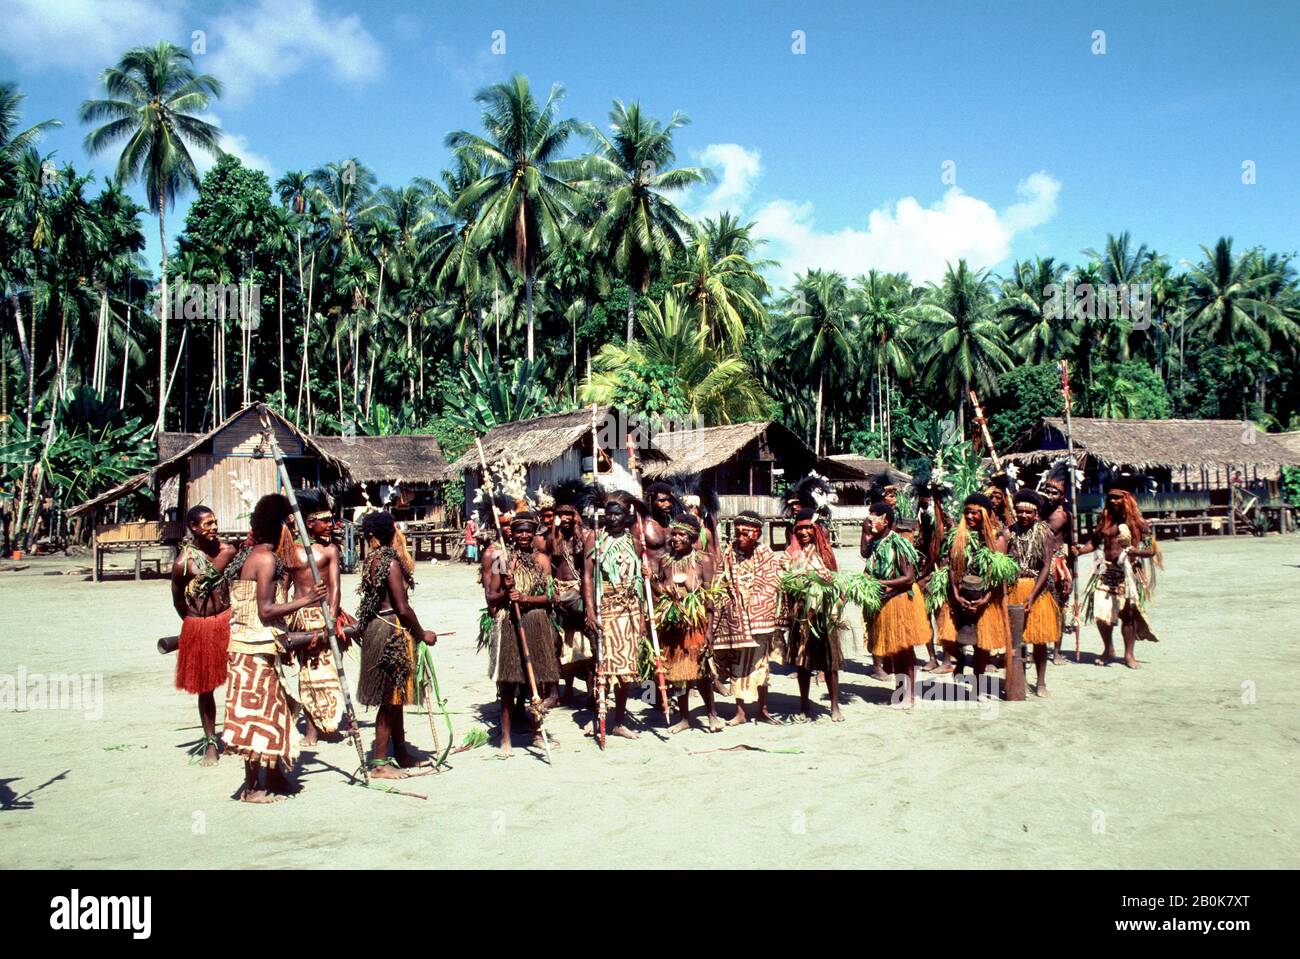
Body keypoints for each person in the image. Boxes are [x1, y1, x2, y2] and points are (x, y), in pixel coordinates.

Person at [220, 495, 325, 802]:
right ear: (279, 528)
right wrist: (306, 600)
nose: (292, 533)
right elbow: (265, 610)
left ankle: (276, 775)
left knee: (276, 712)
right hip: (252, 649)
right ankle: (253, 788)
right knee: (256, 716)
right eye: (289, 527)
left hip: (261, 646)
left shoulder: (256, 556)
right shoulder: (264, 560)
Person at [355, 511, 437, 777]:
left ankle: (400, 752)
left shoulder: (371, 559)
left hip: (380, 627)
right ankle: (379, 764)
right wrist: (422, 633)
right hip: (390, 630)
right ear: (392, 531)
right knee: (388, 697)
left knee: (395, 695)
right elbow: (402, 608)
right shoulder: (389, 562)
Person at [481, 511, 563, 756]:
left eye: (529, 530)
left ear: (535, 532)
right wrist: (507, 594)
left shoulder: (542, 559)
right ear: (512, 533)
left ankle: (537, 732)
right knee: (508, 683)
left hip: (537, 621)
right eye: (519, 531)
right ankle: (505, 739)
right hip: (511, 624)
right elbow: (490, 597)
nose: (524, 535)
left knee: (536, 682)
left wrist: (525, 597)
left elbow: (552, 596)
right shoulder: (502, 561)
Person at [170, 505, 237, 766]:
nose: (214, 527)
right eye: (207, 524)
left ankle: (236, 732)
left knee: (240, 678)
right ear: (194, 527)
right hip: (200, 625)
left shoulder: (226, 550)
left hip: (227, 619)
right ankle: (211, 742)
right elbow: (178, 602)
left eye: (215, 522)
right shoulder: (183, 564)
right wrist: (198, 625)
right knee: (206, 687)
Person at [582, 490, 647, 743]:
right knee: (603, 665)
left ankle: (618, 720)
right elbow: (587, 576)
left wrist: (641, 617)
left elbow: (640, 578)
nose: (612, 518)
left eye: (617, 514)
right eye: (608, 513)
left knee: (625, 668)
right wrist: (589, 608)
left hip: (630, 607)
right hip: (605, 605)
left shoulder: (635, 539)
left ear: (626, 516)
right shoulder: (595, 539)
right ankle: (599, 715)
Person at [934, 493, 1014, 696]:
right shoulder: (958, 536)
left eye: (975, 513)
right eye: (967, 512)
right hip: (958, 595)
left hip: (986, 598)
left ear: (985, 514)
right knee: (950, 638)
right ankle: (959, 660)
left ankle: (978, 685)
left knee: (981, 646)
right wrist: (954, 592)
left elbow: (998, 574)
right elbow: (952, 566)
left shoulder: (998, 537)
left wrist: (985, 599)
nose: (970, 517)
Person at [1075, 484, 1161, 668]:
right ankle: (1108, 649)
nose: (1113, 501)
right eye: (1111, 497)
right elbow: (1095, 541)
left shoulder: (1138, 522)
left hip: (1128, 573)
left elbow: (1151, 550)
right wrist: (1081, 550)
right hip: (1105, 571)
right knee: (1102, 615)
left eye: (1117, 497)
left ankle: (1129, 655)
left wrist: (1132, 551)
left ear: (1126, 499)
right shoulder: (1104, 518)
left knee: (1128, 615)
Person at [286, 489, 347, 745]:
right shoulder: (293, 550)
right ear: (310, 524)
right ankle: (311, 728)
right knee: (306, 673)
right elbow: (285, 586)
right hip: (302, 617)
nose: (331, 526)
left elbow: (335, 586)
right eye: (325, 522)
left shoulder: (331, 550)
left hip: (325, 615)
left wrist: (331, 617)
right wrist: (287, 614)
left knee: (330, 670)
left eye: (332, 521)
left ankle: (332, 720)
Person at [713, 511, 785, 725]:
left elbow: (770, 584)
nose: (740, 538)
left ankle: (762, 709)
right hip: (735, 618)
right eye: (737, 533)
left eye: (745, 534)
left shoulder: (765, 553)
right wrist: (730, 603)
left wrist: (750, 609)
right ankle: (741, 712)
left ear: (756, 534)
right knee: (737, 665)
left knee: (760, 666)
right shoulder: (730, 552)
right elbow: (720, 578)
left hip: (757, 620)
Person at [651, 513, 721, 734]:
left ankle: (712, 715)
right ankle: (684, 718)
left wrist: (709, 629)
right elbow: (661, 591)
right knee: (679, 675)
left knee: (702, 673)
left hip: (696, 622)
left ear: (692, 537)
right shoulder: (665, 561)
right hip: (672, 625)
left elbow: (710, 596)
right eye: (674, 534)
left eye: (682, 534)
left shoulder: (704, 560)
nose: (676, 538)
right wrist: (651, 581)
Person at [783, 508, 849, 722]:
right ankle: (804, 705)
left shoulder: (826, 553)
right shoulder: (790, 554)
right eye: (799, 528)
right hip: (802, 617)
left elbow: (839, 583)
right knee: (803, 663)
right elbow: (784, 582)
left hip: (824, 615)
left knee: (830, 662)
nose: (803, 532)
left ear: (815, 529)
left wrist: (837, 605)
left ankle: (835, 705)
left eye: (807, 528)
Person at [863, 503, 928, 709]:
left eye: (874, 519)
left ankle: (909, 695)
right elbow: (866, 557)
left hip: (901, 600)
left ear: (886, 520)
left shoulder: (898, 543)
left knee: (904, 649)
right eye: (869, 519)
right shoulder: (876, 544)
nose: (870, 523)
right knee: (894, 650)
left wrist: (881, 583)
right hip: (885, 601)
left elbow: (909, 578)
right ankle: (900, 692)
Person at [1007, 490, 1062, 696]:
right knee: (1017, 639)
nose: (1023, 516)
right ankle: (1017, 681)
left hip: (1037, 589)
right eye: (1020, 512)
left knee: (1039, 639)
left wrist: (1032, 594)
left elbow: (1046, 566)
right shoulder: (1009, 532)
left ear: (1036, 514)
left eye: (1028, 513)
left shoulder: (1045, 533)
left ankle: (1040, 682)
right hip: (1014, 588)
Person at [547, 484, 595, 705]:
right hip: (558, 594)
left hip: (580, 594)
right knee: (556, 643)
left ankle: (593, 691)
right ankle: (557, 693)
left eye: (569, 513)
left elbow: (590, 572)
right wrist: (552, 592)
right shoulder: (550, 539)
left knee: (590, 640)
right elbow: (545, 570)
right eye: (560, 514)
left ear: (576, 515)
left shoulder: (586, 537)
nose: (564, 518)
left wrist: (585, 596)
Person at [1040, 464, 1076, 664]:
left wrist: (1070, 568)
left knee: (1058, 608)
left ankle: (1057, 651)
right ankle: (1039, 645)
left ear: (1063, 496)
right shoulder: (1039, 510)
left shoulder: (1064, 515)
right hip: (1039, 562)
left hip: (1057, 564)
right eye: (1047, 490)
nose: (1050, 494)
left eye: (1055, 492)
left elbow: (1070, 542)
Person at [642, 481, 681, 562]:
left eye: (668, 500)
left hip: (672, 572)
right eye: (662, 501)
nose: (667, 504)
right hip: (652, 573)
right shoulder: (642, 526)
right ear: (651, 502)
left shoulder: (673, 525)